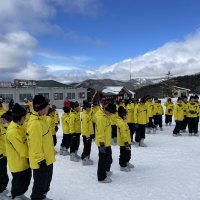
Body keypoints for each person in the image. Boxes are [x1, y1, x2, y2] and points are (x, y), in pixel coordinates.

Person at [27, 95, 55, 200]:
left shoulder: (41, 119)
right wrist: (40, 160)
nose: (49, 107)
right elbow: (35, 145)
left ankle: (42, 196)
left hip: (47, 159)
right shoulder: (35, 124)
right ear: (42, 108)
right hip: (41, 162)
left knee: (45, 183)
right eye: (47, 105)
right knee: (39, 185)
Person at [6, 103, 31, 200]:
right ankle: (16, 196)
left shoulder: (20, 126)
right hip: (17, 164)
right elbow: (23, 151)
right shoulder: (12, 132)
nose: (25, 118)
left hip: (24, 162)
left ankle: (20, 194)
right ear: (20, 118)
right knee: (18, 182)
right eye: (24, 117)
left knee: (25, 181)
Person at [95, 102, 116, 183]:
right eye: (111, 112)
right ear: (107, 110)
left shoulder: (106, 116)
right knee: (102, 160)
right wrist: (101, 144)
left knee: (108, 158)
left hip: (107, 142)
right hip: (102, 143)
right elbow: (100, 132)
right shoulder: (101, 119)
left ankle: (106, 171)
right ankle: (101, 177)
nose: (111, 114)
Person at [116, 106, 134, 172]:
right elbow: (123, 134)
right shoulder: (121, 123)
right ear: (123, 115)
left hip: (127, 141)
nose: (127, 115)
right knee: (123, 154)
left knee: (128, 153)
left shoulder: (124, 121)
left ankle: (127, 162)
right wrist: (126, 142)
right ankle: (122, 166)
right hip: (124, 142)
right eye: (126, 114)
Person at [0, 111, 12, 200]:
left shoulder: (3, 126)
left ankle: (2, 189)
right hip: (0, 155)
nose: (5, 122)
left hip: (4, 154)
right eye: (4, 120)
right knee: (2, 175)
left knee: (3, 174)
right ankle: (1, 193)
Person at [81, 101, 94, 166]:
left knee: (88, 147)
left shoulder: (88, 114)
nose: (90, 109)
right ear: (86, 108)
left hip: (90, 133)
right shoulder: (84, 115)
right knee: (86, 147)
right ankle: (85, 159)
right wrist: (87, 135)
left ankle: (86, 157)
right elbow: (85, 127)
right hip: (86, 135)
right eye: (89, 108)